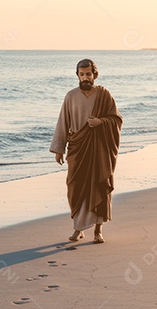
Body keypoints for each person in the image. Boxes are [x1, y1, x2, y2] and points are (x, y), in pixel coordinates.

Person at [49, 59, 122, 244]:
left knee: (99, 185)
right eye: (82, 74)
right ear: (77, 75)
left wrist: (101, 122)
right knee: (75, 186)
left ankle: (98, 230)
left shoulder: (104, 94)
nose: (85, 78)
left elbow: (116, 119)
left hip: (99, 149)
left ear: (94, 75)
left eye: (88, 74)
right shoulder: (70, 96)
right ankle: (78, 228)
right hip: (77, 149)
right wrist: (59, 149)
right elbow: (63, 122)